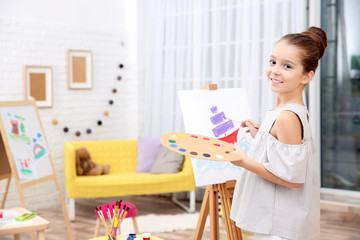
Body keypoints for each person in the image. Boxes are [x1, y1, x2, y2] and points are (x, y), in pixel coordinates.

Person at [229, 26, 327, 240]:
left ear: (306, 76)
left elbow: (293, 179)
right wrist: (259, 134)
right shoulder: (286, 112)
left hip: (279, 225)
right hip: (278, 221)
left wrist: (244, 162)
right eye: (273, 61)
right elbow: (286, 158)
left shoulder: (287, 117)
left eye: (287, 66)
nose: (274, 70)